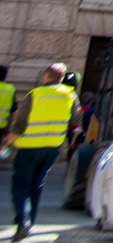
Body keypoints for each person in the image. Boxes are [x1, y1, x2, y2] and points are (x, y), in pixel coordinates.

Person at [2, 63, 75, 238]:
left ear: (46, 76)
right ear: (61, 78)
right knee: (37, 184)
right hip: (52, 148)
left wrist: (7, 143)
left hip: (29, 148)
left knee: (21, 185)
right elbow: (76, 120)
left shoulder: (35, 94)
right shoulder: (70, 95)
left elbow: (20, 124)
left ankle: (22, 221)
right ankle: (31, 222)